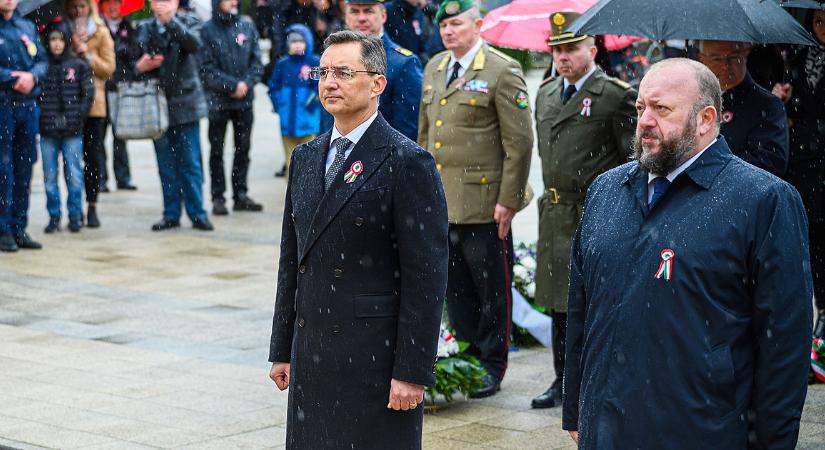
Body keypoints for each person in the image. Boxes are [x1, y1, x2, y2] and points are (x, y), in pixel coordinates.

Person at [563, 58, 812, 448]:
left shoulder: (763, 201)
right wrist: (578, 408)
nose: (645, 120)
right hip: (607, 427)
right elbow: (581, 308)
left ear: (705, 119)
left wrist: (772, 441)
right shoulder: (606, 191)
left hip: (701, 430)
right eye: (641, 107)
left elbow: (783, 345)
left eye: (661, 109)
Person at [268, 30, 448, 449]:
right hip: (314, 355)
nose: (329, 82)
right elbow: (291, 259)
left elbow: (426, 276)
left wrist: (412, 370)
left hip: (374, 360)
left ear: (377, 84)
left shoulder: (407, 161)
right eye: (324, 71)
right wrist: (282, 347)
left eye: (344, 73)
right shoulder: (307, 157)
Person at [418, 0, 532, 398]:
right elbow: (424, 137)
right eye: (444, 25)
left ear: (478, 24)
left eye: (457, 23)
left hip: (486, 205)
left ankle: (492, 364)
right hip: (443, 204)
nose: (449, 31)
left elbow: (519, 142)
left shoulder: (502, 70)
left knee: (491, 291)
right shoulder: (434, 67)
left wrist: (510, 200)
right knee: (456, 289)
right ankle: (465, 355)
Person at [530, 11, 636, 410]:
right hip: (555, 212)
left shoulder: (615, 95)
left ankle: (597, 376)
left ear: (592, 48)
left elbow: (631, 160)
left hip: (593, 212)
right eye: (557, 49)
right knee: (558, 302)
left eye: (571, 48)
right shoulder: (545, 93)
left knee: (594, 300)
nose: (563, 57)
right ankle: (562, 379)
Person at [134, 0, 214, 231]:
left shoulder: (190, 22)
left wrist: (171, 22)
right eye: (158, 0)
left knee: (190, 162)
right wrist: (141, 66)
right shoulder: (144, 27)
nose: (161, 5)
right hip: (156, 104)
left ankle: (197, 212)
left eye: (167, 0)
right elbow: (129, 62)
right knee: (165, 164)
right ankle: (171, 213)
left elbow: (194, 44)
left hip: (186, 103)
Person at [773, 9, 825, 328]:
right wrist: (783, 101)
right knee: (809, 243)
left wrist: (802, 127)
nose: (822, 28)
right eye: (818, 21)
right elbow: (796, 108)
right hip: (804, 168)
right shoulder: (798, 55)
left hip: (816, 158)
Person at [200, 0, 264, 216]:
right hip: (218, 103)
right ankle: (218, 197)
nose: (233, 2)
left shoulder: (247, 26)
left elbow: (257, 61)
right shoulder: (207, 30)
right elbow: (206, 69)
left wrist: (246, 83)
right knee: (216, 150)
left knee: (243, 149)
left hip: (244, 101)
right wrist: (231, 86)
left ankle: (241, 195)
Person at [698, 40, 789, 177]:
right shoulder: (692, 98)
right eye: (716, 58)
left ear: (745, 55)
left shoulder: (767, 105)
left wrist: (710, 165)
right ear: (702, 59)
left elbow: (770, 162)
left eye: (733, 57)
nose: (725, 66)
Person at [38, 18, 95, 234]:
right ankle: (54, 215)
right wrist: (45, 116)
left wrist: (77, 116)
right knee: (50, 177)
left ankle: (74, 215)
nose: (57, 44)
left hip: (72, 131)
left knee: (74, 174)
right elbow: (37, 96)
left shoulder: (78, 65)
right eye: (52, 39)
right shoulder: (42, 67)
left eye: (61, 39)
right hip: (48, 131)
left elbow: (88, 93)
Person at [337, 0, 423, 141]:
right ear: (346, 17)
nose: (361, 18)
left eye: (369, 11)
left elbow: (406, 132)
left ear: (383, 16)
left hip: (381, 157)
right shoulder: (334, 58)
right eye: (354, 11)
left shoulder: (404, 63)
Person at [0, 0, 47, 252]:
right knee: (3, 168)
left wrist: (33, 76)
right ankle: (3, 228)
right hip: (3, 106)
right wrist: (10, 77)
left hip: (27, 107)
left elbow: (41, 59)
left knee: (24, 167)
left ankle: (19, 226)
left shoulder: (26, 26)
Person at [66, 0, 115, 228]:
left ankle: (92, 204)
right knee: (71, 159)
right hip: (69, 104)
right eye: (74, 6)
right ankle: (74, 208)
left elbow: (108, 69)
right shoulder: (64, 31)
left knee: (93, 158)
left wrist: (87, 55)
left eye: (83, 6)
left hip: (95, 106)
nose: (78, 11)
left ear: (90, 8)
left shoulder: (101, 33)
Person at [268, 24, 320, 178]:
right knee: (290, 160)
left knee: (309, 159)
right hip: (287, 121)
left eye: (300, 41)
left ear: (307, 42)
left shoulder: (313, 62)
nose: (297, 45)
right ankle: (291, 195)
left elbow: (319, 86)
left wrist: (311, 103)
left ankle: (309, 193)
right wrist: (279, 104)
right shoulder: (282, 64)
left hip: (307, 120)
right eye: (293, 41)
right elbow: (273, 86)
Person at [100, 0, 137, 191]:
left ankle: (123, 177)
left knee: (120, 135)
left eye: (116, 3)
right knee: (98, 136)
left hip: (121, 88)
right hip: (101, 89)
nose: (113, 7)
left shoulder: (128, 27)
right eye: (109, 3)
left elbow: (134, 56)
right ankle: (100, 179)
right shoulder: (97, 26)